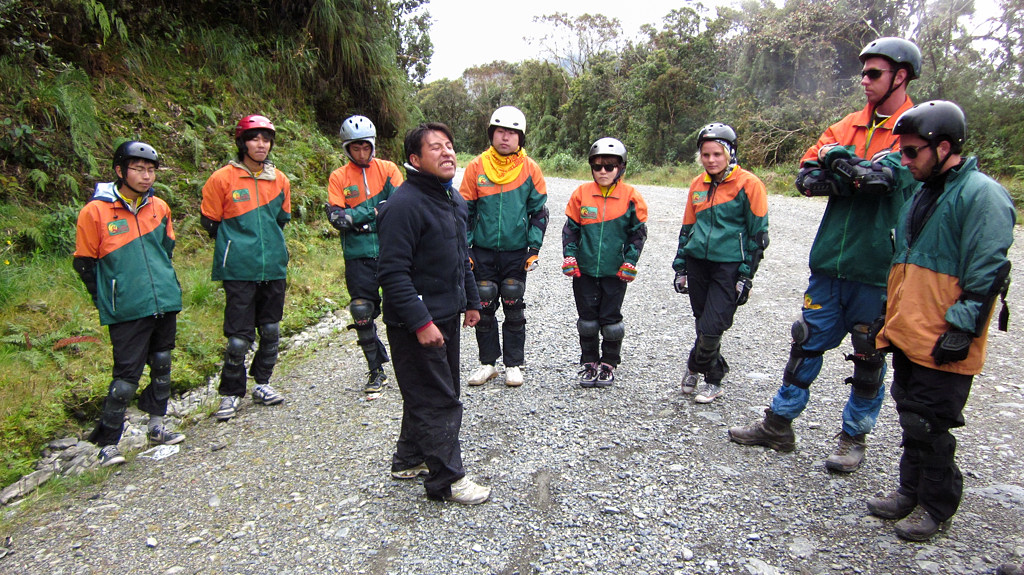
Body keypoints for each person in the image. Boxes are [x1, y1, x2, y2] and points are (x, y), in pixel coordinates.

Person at [728, 37, 922, 473]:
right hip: (829, 258)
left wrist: (842, 170)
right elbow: (806, 176)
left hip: (878, 265)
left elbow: (882, 181)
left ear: (902, 75)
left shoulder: (915, 128)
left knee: (869, 353)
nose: (865, 80)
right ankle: (779, 423)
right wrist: (845, 165)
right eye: (863, 72)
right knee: (805, 343)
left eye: (874, 73)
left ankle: (854, 437)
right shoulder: (848, 124)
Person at [867, 100, 1014, 541]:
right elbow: (905, 260)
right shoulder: (923, 190)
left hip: (944, 335)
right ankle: (909, 492)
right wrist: (887, 316)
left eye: (912, 152)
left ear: (944, 146)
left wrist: (963, 328)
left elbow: (988, 270)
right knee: (910, 415)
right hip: (911, 331)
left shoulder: (983, 195)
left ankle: (936, 505)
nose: (904, 160)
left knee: (931, 423)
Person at [376, 122, 490, 505]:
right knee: (438, 398)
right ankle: (447, 479)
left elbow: (462, 258)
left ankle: (409, 458)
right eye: (435, 148)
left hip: (446, 315)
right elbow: (391, 273)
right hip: (415, 323)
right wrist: (421, 321)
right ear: (414, 159)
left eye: (450, 145)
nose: (447, 153)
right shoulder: (403, 206)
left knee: (430, 390)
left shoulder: (453, 200)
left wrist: (471, 300)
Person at [73, 141, 185, 466]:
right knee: (125, 379)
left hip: (162, 299)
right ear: (120, 171)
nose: (145, 176)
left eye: (150, 170)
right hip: (126, 308)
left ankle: (156, 426)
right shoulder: (95, 211)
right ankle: (108, 444)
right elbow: (84, 264)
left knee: (162, 363)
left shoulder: (159, 207)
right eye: (137, 168)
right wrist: (108, 300)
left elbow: (166, 250)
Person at [201, 114, 291, 422]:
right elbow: (210, 222)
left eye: (266, 139)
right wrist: (238, 246)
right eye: (254, 138)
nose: (261, 144)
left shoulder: (279, 179)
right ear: (242, 142)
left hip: (274, 266)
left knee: (270, 330)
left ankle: (262, 383)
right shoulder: (221, 179)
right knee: (239, 337)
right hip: (238, 268)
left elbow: (280, 220)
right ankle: (230, 393)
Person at [673, 123, 769, 404]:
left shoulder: (749, 184)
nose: (711, 160)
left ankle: (706, 374)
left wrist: (746, 275)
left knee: (714, 325)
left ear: (730, 153)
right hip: (697, 262)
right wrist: (680, 266)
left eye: (717, 154)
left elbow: (758, 236)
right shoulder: (697, 184)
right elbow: (687, 228)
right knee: (702, 322)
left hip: (729, 265)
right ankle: (704, 369)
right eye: (706, 155)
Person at [460, 106, 549, 388]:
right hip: (483, 251)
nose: (505, 138)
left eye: (512, 132)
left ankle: (513, 364)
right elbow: (465, 213)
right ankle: (487, 363)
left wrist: (533, 248)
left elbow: (539, 213)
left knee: (513, 303)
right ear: (491, 134)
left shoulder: (530, 168)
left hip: (515, 251)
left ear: (520, 138)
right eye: (500, 131)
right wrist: (466, 250)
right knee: (484, 304)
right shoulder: (476, 166)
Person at [326, 115, 404, 395]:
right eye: (355, 148)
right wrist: (370, 212)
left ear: (373, 145)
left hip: (392, 251)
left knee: (403, 309)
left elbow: (398, 208)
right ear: (347, 149)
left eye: (365, 147)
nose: (361, 153)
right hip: (357, 255)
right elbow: (337, 218)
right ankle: (376, 370)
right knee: (361, 311)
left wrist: (356, 217)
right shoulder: (338, 177)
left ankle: (410, 365)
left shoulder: (388, 169)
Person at [562, 137, 648, 388]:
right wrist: (569, 255)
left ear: (620, 168)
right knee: (587, 320)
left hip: (615, 270)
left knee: (611, 321)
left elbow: (638, 233)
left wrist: (630, 260)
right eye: (597, 166)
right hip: (585, 270)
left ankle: (609, 362)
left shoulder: (631, 196)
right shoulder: (581, 194)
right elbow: (571, 230)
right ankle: (589, 362)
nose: (602, 171)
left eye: (609, 166)